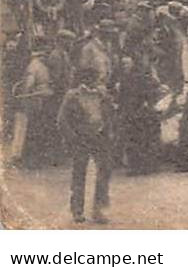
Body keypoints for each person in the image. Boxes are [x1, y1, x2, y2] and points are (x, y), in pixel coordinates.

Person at [57, 67, 114, 224]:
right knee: (79, 174)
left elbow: (108, 113)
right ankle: (77, 211)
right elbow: (61, 120)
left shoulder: (101, 94)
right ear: (85, 80)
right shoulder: (72, 95)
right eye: (94, 79)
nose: (96, 82)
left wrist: (109, 131)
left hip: (100, 137)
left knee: (104, 171)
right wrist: (73, 138)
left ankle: (99, 210)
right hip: (80, 139)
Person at [116, 48, 163, 176]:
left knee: (138, 139)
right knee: (139, 139)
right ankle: (143, 165)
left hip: (136, 112)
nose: (124, 66)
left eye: (127, 64)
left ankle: (140, 165)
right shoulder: (133, 77)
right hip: (136, 112)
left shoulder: (133, 78)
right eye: (123, 64)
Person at [12, 41, 57, 168]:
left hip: (41, 100)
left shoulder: (40, 65)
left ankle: (33, 158)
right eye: (44, 53)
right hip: (35, 100)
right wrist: (28, 97)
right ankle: (28, 159)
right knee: (32, 130)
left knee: (36, 130)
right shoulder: (34, 66)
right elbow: (28, 85)